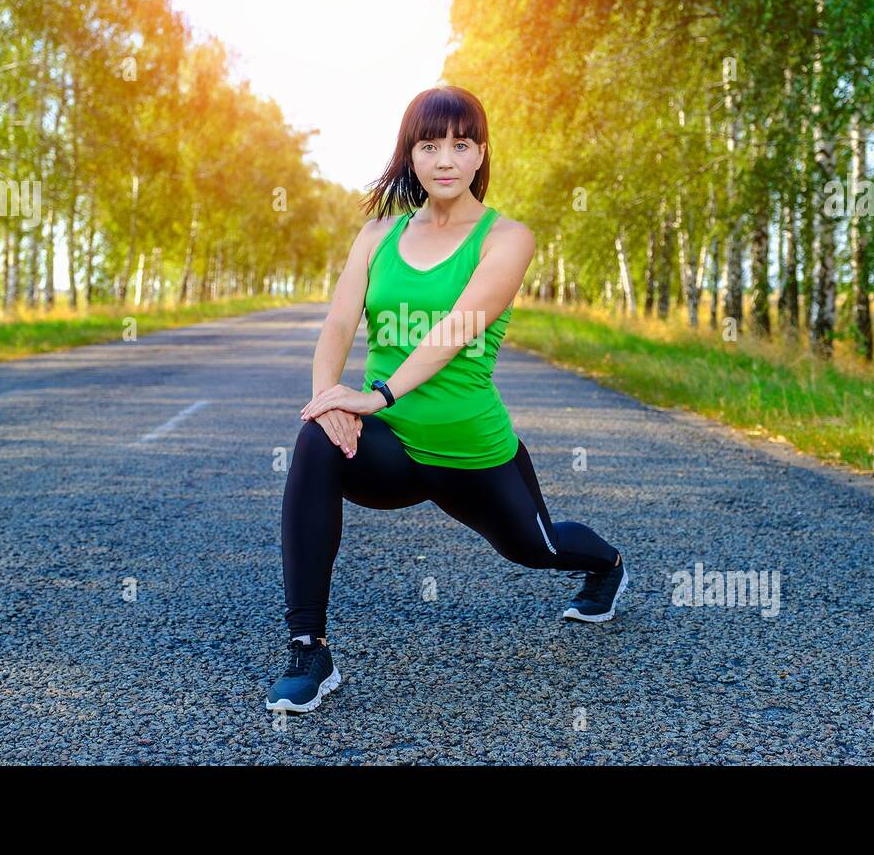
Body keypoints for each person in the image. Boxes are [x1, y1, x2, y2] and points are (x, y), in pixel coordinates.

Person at [267, 85, 627, 714]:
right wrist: (328, 400)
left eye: (461, 144)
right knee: (314, 442)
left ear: (481, 152)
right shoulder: (377, 235)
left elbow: (459, 328)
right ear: (410, 154)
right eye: (429, 145)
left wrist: (375, 394)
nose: (445, 159)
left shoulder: (507, 237)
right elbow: (338, 323)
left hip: (471, 450)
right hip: (392, 451)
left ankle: (608, 565)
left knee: (536, 548)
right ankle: (308, 647)